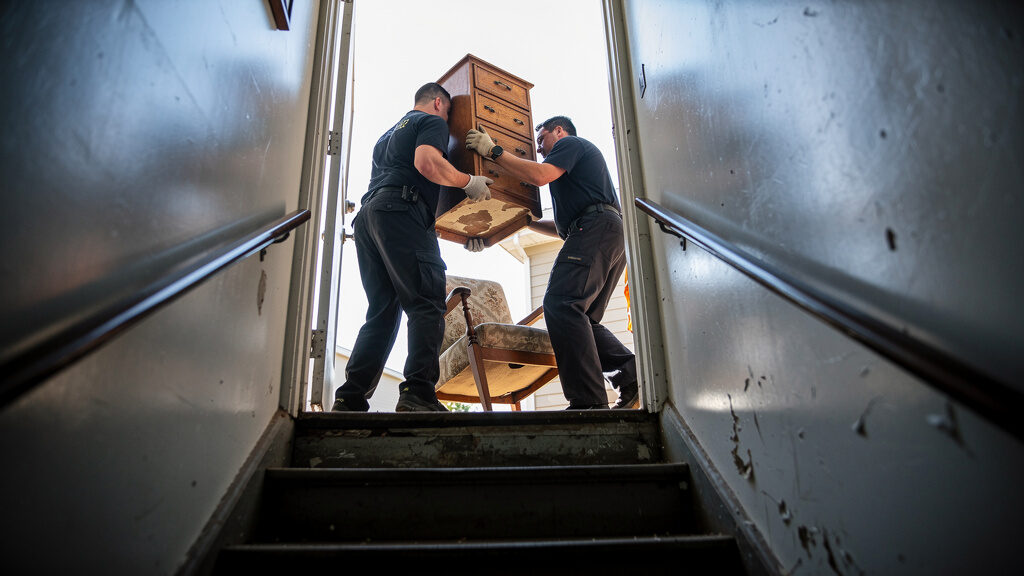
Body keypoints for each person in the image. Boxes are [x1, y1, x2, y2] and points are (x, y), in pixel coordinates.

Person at [333, 83, 493, 412]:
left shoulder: (387, 135)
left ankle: (349, 399)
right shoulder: (431, 122)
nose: (447, 121)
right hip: (400, 211)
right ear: (438, 103)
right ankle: (419, 392)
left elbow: (413, 181)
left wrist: (463, 233)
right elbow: (427, 165)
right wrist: (469, 181)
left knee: (382, 312)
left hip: (369, 218)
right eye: (449, 113)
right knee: (426, 304)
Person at [465, 116, 639, 409]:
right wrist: (521, 223)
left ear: (559, 130)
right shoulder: (576, 181)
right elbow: (560, 229)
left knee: (561, 305)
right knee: (581, 320)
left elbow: (540, 175)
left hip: (595, 227)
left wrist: (493, 151)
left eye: (542, 139)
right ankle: (632, 381)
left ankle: (589, 403)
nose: (540, 148)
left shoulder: (571, 144)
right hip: (606, 231)